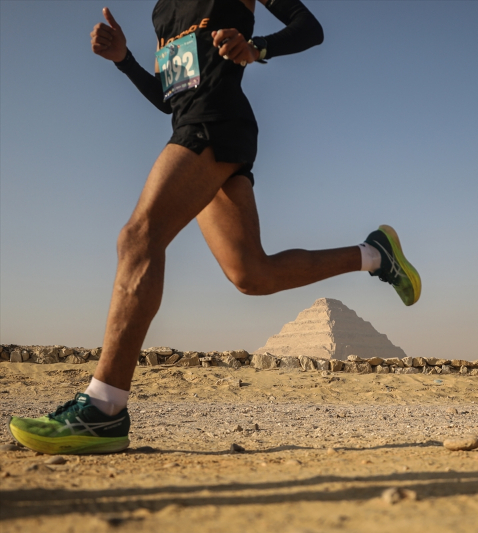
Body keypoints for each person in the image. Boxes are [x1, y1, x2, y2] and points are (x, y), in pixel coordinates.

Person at [8, 0, 421, 455]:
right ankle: (375, 254)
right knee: (252, 274)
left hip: (217, 122)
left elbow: (310, 28)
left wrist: (257, 48)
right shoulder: (162, 12)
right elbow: (170, 97)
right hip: (193, 123)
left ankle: (103, 409)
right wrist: (124, 60)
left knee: (138, 237)